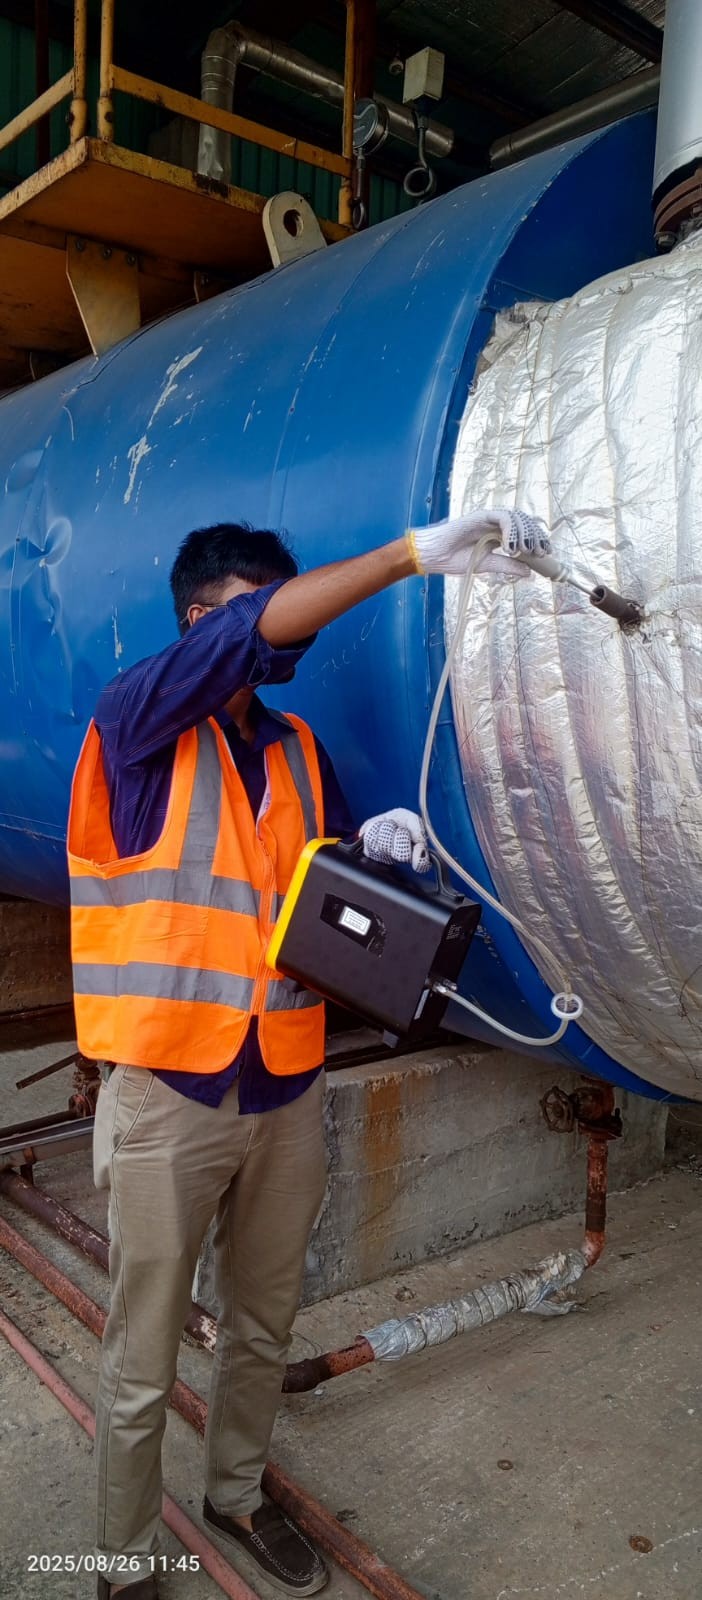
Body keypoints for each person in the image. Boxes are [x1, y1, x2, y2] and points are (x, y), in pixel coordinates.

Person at [67, 511, 546, 1600]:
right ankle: (121, 1559)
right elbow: (246, 642)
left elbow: (313, 904)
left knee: (263, 1322)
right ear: (200, 622)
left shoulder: (296, 753)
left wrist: (370, 855)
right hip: (169, 1092)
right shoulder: (136, 723)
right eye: (261, 607)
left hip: (284, 1084)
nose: (288, 629)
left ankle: (236, 1493)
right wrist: (407, 556)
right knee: (143, 1352)